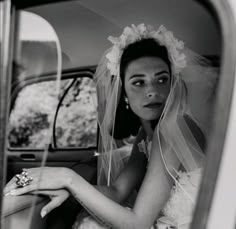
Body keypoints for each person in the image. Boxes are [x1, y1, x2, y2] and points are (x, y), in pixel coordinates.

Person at [4, 24, 217, 229]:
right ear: (123, 91)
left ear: (173, 84)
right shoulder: (146, 135)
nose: (152, 91)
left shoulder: (174, 128)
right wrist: (67, 188)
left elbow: (137, 224)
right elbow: (117, 191)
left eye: (161, 80)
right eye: (139, 82)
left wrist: (67, 177)